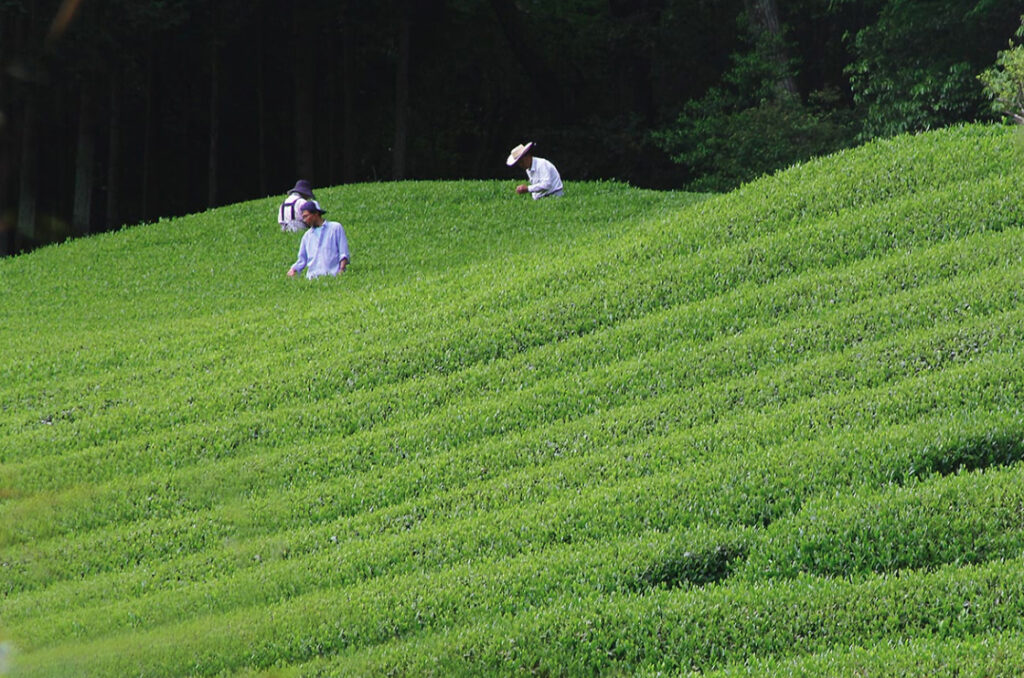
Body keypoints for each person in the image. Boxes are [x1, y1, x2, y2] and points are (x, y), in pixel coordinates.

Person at [287, 200, 350, 279]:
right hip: (312, 278)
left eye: (306, 216)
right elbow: (302, 259)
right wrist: (293, 269)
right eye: (303, 218)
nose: (305, 220)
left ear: (316, 214)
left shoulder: (335, 228)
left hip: (332, 276)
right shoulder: (307, 236)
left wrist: (341, 270)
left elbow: (343, 253)